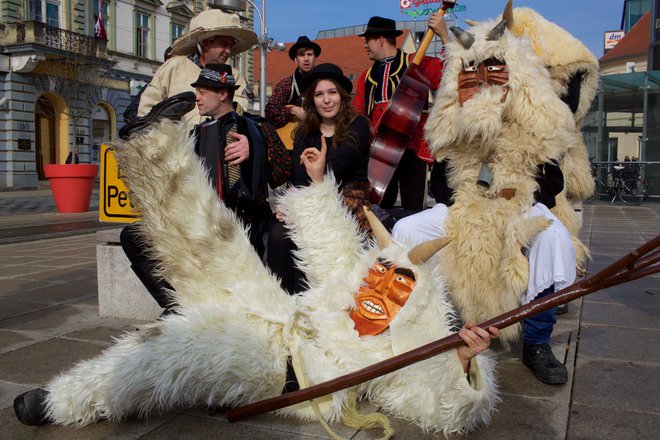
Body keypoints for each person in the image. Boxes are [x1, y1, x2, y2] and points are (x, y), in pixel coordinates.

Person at [121, 64, 292, 314]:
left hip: (243, 221)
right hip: (201, 222)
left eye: (202, 91)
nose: (197, 98)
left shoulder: (258, 127)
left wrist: (256, 151)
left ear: (222, 94)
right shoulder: (196, 134)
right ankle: (179, 307)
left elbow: (283, 171)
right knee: (131, 236)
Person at [392, 160, 575, 385]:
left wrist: (515, 202)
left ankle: (537, 342)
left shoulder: (533, 127)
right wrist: (470, 207)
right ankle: (416, 327)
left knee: (553, 237)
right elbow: (441, 179)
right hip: (463, 208)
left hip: (521, 207)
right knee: (407, 229)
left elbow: (553, 180)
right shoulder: (462, 128)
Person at [266, 63, 371, 294]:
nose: (326, 100)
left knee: (309, 234)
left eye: (332, 92)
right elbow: (299, 177)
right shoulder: (305, 132)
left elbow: (336, 170)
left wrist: (314, 176)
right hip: (312, 200)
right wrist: (289, 206)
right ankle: (283, 303)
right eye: (319, 94)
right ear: (312, 100)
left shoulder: (359, 125)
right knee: (278, 230)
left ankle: (310, 303)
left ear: (341, 96)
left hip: (347, 202)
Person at [353, 13, 450, 212]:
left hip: (413, 150)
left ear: (380, 40)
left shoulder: (416, 62)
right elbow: (358, 114)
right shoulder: (366, 76)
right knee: (377, 210)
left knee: (415, 210)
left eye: (367, 40)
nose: (364, 45)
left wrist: (444, 35)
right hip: (379, 153)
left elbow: (451, 74)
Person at [135, 9, 258, 130]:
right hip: (171, 147)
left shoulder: (233, 77)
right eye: (224, 44)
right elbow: (147, 108)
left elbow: (238, 115)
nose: (228, 51)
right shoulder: (175, 66)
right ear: (205, 42)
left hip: (215, 146)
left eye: (230, 46)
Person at [265, 35, 321, 129]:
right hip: (292, 138)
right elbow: (270, 111)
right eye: (302, 55)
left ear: (315, 58)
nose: (306, 59)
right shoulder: (286, 84)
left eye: (309, 54)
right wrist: (293, 110)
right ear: (295, 59)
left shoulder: (322, 83)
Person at [123, 46, 174, 124]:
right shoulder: (152, 86)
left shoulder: (191, 85)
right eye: (171, 63)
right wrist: (147, 121)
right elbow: (129, 113)